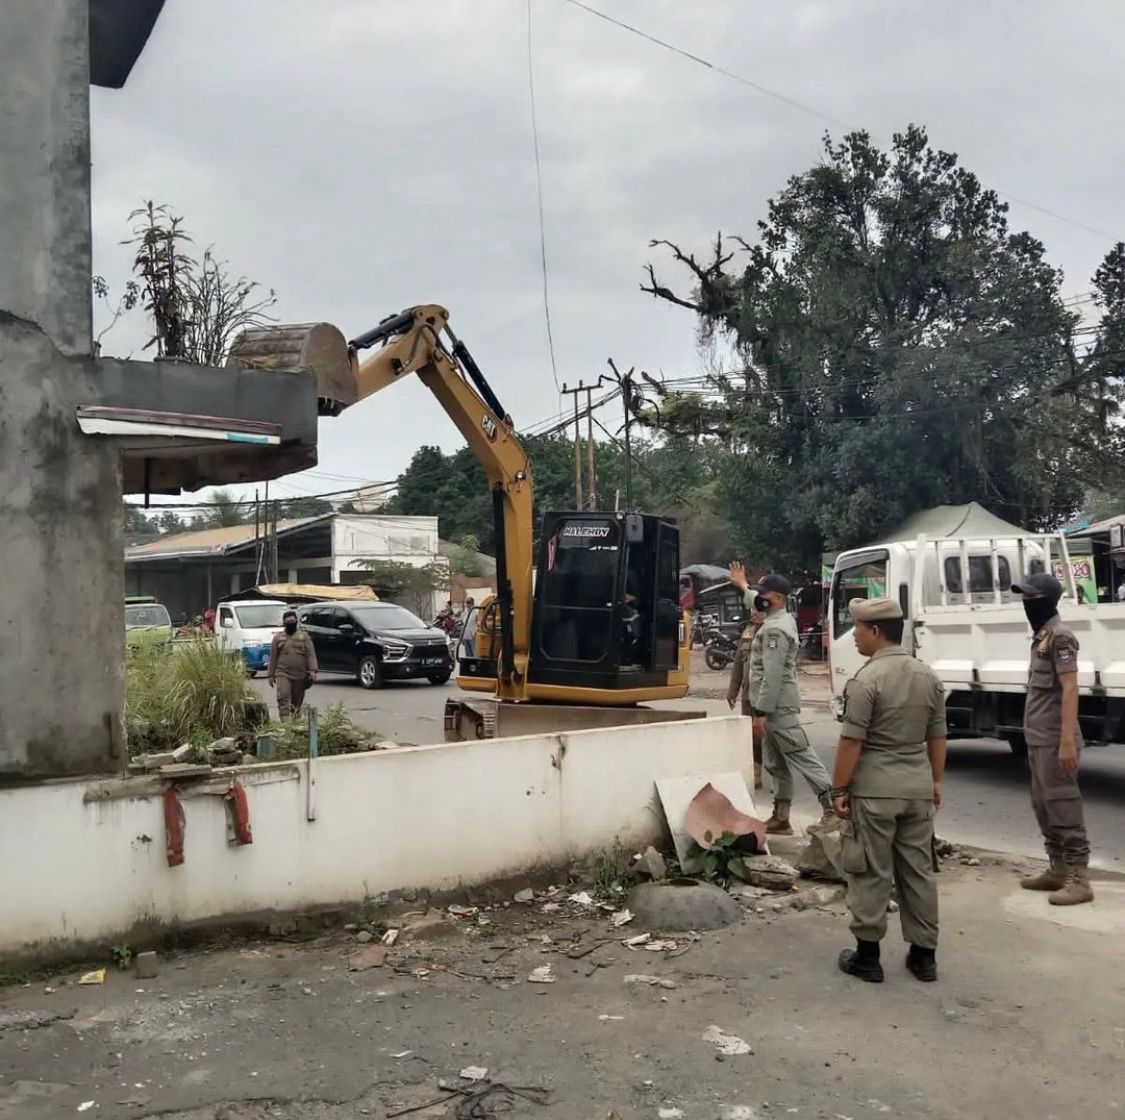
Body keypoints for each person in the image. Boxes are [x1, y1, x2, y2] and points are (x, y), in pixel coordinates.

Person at [832, 597, 947, 984]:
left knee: (870, 871)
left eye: (859, 631)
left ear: (876, 631)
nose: (856, 639)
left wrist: (838, 790)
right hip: (917, 791)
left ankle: (868, 957)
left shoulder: (866, 680)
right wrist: (934, 782)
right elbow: (938, 736)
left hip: (875, 792)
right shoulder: (927, 675)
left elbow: (851, 743)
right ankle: (924, 956)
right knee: (918, 871)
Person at [730, 563, 836, 834]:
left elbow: (773, 676)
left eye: (763, 595)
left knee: (801, 755)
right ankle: (781, 816)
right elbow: (754, 600)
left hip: (777, 707)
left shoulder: (775, 630)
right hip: (770, 706)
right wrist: (742, 585)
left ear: (775, 598)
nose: (758, 599)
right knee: (776, 763)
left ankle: (833, 808)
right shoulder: (779, 618)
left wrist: (760, 712)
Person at [1011, 572, 1094, 905]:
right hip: (1037, 737)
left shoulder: (1061, 637)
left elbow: (1071, 688)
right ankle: (1058, 869)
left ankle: (1080, 879)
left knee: (1063, 806)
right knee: (1043, 806)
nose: (1027, 605)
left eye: (1031, 599)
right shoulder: (1042, 637)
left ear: (1046, 600)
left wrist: (1066, 742)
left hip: (1055, 739)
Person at [727, 608, 766, 789]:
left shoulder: (773, 632)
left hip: (766, 696)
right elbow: (738, 663)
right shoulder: (748, 632)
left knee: (772, 737)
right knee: (751, 737)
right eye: (752, 610)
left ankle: (781, 777)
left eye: (758, 610)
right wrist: (732, 691)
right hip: (748, 695)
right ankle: (756, 774)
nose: (754, 614)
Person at [268, 610, 318, 719]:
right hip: (283, 672)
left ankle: (296, 722)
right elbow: (273, 657)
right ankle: (285, 724)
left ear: (296, 621)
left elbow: (311, 654)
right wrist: (271, 675)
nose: (290, 623)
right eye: (287, 621)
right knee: (283, 696)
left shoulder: (304, 637)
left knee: (297, 701)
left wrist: (313, 670)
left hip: (300, 674)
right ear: (284, 623)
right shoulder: (278, 637)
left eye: (292, 621)